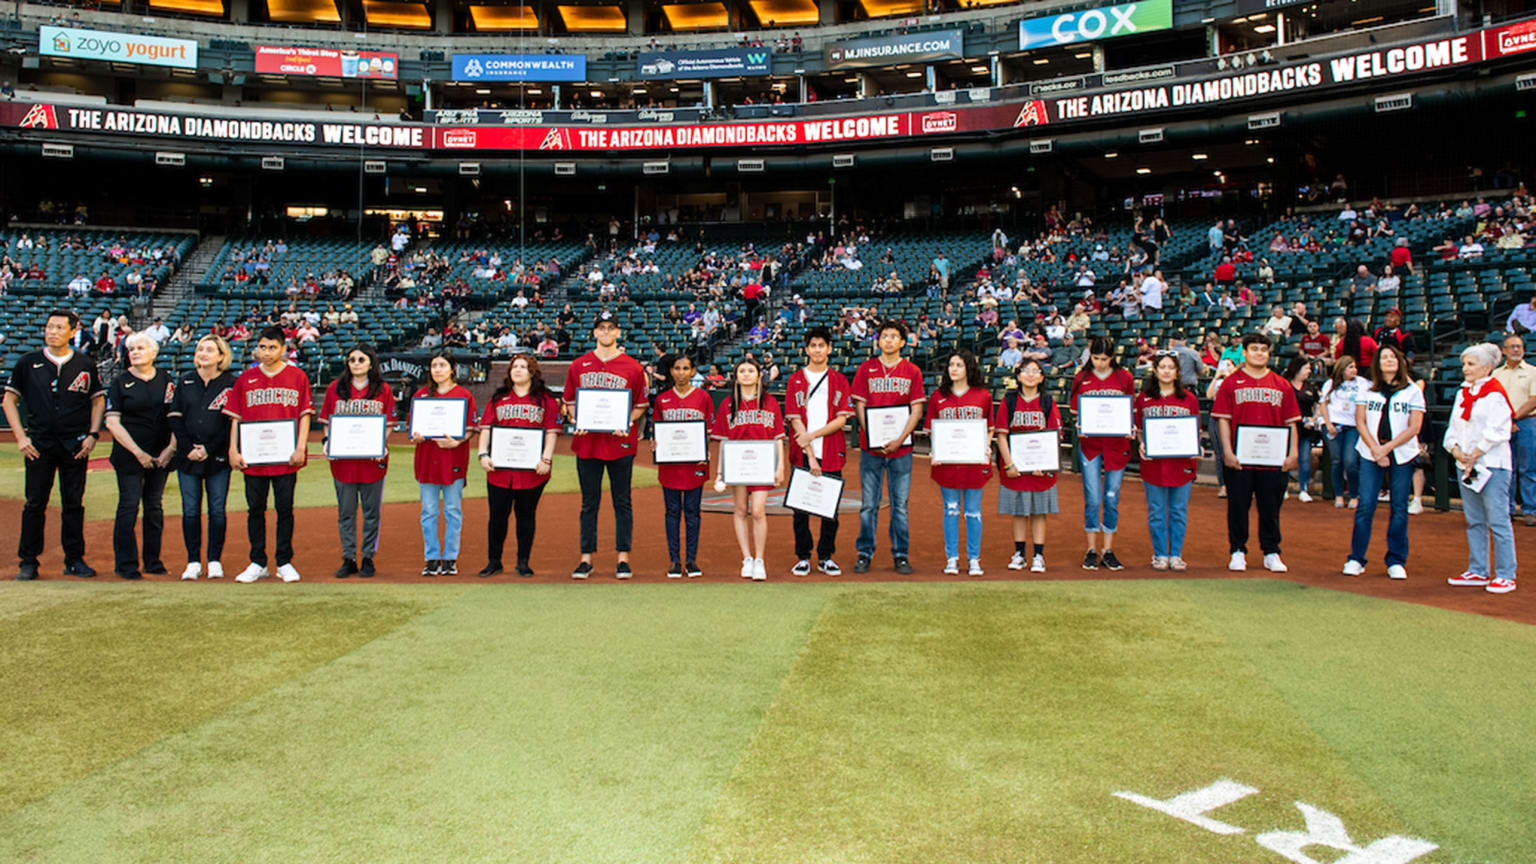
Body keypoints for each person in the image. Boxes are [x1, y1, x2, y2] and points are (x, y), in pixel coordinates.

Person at [4, 309, 105, 581]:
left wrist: (93, 435)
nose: (53, 332)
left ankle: (74, 559)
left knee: (74, 503)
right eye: (50, 327)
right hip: (39, 444)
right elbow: (8, 401)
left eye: (60, 327)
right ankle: (28, 560)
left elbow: (98, 401)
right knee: (35, 503)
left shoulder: (85, 363)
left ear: (73, 331)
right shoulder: (28, 362)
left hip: (75, 444)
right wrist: (21, 438)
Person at [562, 310, 648, 579]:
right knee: (589, 502)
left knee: (622, 502)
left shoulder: (633, 367)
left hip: (620, 443)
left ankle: (623, 558)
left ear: (618, 332)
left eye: (611, 328)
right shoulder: (578, 365)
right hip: (588, 442)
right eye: (602, 328)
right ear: (595, 332)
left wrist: (627, 421)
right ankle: (586, 558)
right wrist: (577, 419)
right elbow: (568, 403)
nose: (606, 332)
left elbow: (640, 405)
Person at [226, 326, 313, 583]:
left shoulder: (297, 376)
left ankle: (284, 561)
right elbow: (235, 418)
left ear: (283, 349)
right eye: (262, 347)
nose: (267, 352)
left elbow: (305, 415)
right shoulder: (246, 378)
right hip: (254, 457)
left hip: (285, 457)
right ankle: (257, 561)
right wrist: (233, 449)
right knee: (255, 509)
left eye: (272, 347)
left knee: (285, 509)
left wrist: (301, 447)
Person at [1213, 333, 1301, 572]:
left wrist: (1293, 452)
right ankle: (1238, 550)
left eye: (1263, 349)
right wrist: (1227, 452)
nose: (1259, 353)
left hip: (1272, 459)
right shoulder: (1231, 383)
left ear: (1269, 354)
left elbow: (1291, 422)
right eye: (1254, 349)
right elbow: (1223, 420)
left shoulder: (1281, 384)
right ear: (1244, 352)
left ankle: (1271, 551)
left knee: (1270, 508)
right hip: (1240, 458)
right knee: (1238, 506)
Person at [475, 354, 561, 578]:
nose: (518, 370)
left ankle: (523, 561)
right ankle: (494, 561)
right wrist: (482, 454)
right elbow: (486, 428)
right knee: (497, 517)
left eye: (524, 367)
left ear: (533, 372)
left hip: (532, 471)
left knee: (526, 516)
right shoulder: (499, 398)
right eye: (515, 367)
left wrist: (547, 459)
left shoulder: (545, 400)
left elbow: (552, 431)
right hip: (500, 470)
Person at [851, 320, 926, 574]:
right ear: (879, 340)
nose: (889, 340)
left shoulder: (912, 371)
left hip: (901, 449)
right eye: (885, 336)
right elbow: (859, 405)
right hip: (870, 448)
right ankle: (865, 552)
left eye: (894, 336)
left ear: (903, 342)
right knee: (868, 504)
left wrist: (899, 439)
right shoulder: (866, 369)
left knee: (900, 505)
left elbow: (917, 410)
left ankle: (900, 554)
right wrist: (871, 434)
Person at [1345, 345, 1425, 580]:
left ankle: (1396, 560)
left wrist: (1387, 449)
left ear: (1400, 362)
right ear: (1377, 363)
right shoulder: (1367, 389)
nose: (1389, 361)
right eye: (1384, 358)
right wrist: (1376, 450)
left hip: (1401, 453)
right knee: (1365, 506)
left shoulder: (1412, 391)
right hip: (1371, 452)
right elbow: (1360, 422)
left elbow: (1415, 426)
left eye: (1393, 357)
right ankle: (1356, 558)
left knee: (1399, 507)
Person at [103, 332, 176, 580]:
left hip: (161, 455)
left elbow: (177, 418)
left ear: (153, 352)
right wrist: (138, 452)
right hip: (129, 455)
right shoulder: (120, 382)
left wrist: (170, 449)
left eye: (140, 348)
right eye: (131, 349)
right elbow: (113, 422)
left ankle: (153, 561)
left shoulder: (167, 380)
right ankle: (126, 564)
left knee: (154, 506)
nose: (134, 352)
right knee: (129, 506)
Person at [1445, 343, 1517, 594]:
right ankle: (1478, 569)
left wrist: (1475, 454)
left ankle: (1506, 573)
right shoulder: (1462, 393)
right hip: (1466, 465)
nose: (1466, 368)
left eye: (1471, 364)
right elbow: (1453, 429)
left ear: (1487, 367)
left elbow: (1499, 430)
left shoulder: (1495, 394)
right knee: (1474, 519)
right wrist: (1456, 451)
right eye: (1464, 364)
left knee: (1498, 520)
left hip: (1492, 466)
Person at [320, 344, 395, 578]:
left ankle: (368, 557)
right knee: (346, 512)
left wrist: (379, 444)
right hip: (344, 462)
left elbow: (390, 423)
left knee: (372, 512)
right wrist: (326, 441)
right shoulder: (336, 388)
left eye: (361, 360)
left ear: (371, 363)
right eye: (351, 360)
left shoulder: (382, 389)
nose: (356, 364)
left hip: (372, 462)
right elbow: (326, 420)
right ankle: (349, 557)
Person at [711, 358, 787, 581]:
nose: (746, 374)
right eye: (741, 371)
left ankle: (760, 559)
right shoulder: (728, 404)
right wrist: (719, 473)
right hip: (738, 466)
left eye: (750, 370)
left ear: (758, 375)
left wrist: (780, 466)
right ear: (736, 376)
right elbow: (724, 442)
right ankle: (747, 558)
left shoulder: (770, 402)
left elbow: (777, 438)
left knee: (758, 511)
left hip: (763, 465)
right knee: (740, 509)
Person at [785, 327, 853, 576]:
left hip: (831, 450)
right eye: (812, 345)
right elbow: (795, 420)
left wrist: (812, 436)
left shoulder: (839, 380)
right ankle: (803, 556)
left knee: (829, 509)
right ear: (806, 349)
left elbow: (842, 419)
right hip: (803, 452)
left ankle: (826, 556)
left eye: (821, 345)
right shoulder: (796, 380)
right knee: (800, 508)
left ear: (829, 349)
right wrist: (811, 455)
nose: (817, 350)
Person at [167, 335, 235, 580]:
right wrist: (188, 448)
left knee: (217, 510)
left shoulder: (230, 383)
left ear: (221, 356)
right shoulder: (185, 380)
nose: (203, 353)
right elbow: (175, 417)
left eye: (209, 350)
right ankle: (193, 561)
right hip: (188, 458)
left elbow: (230, 424)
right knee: (190, 510)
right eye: (200, 349)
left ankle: (214, 559)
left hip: (217, 458)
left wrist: (208, 449)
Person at [925, 350, 993, 576]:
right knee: (951, 510)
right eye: (951, 365)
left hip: (973, 462)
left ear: (969, 368)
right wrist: (936, 450)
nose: (953, 369)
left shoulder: (982, 395)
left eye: (959, 365)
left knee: (973, 512)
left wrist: (986, 446)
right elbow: (932, 429)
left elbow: (989, 427)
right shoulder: (938, 396)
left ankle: (974, 558)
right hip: (948, 462)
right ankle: (952, 557)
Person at [1071, 336, 1135, 571]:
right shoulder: (1082, 378)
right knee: (1092, 498)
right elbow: (1074, 410)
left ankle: (1107, 548)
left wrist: (1131, 426)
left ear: (1113, 357)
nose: (1100, 363)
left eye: (1104, 359)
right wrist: (1080, 423)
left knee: (1111, 497)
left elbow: (1131, 409)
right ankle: (1091, 549)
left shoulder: (1123, 377)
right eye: (1096, 358)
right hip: (1090, 445)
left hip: (1116, 446)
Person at [411, 353, 476, 576]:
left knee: (452, 510)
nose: (438, 370)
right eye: (434, 366)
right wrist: (417, 436)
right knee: (428, 511)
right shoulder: (421, 395)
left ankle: (449, 558)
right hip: (427, 460)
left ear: (452, 369)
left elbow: (470, 429)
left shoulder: (464, 395)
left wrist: (456, 441)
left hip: (453, 459)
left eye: (442, 365)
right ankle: (431, 557)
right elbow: (414, 429)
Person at [1134, 353, 1199, 570]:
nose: (1166, 371)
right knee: (1156, 510)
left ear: (1178, 372)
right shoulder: (1143, 399)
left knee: (1179, 510)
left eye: (1171, 367)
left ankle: (1176, 554)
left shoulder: (1189, 399)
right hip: (1154, 463)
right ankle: (1160, 553)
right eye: (1162, 366)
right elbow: (1139, 430)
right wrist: (1142, 443)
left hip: (1181, 462)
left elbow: (1195, 430)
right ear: (1155, 370)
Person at [994, 359, 1060, 572]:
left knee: (1039, 512)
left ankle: (1038, 555)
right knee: (1019, 511)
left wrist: (1047, 464)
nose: (1030, 375)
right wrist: (1009, 464)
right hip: (1016, 467)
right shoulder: (1009, 400)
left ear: (1042, 377)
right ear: (1018, 375)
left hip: (1040, 468)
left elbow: (1054, 436)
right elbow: (1001, 435)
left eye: (1035, 371)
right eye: (1026, 371)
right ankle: (1020, 553)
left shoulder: (1048, 401)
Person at [651, 353, 713, 579]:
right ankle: (675, 560)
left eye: (686, 368)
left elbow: (707, 430)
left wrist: (704, 450)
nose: (681, 373)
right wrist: (656, 443)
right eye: (677, 368)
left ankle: (692, 560)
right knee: (672, 512)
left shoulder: (703, 397)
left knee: (693, 513)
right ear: (671, 371)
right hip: (670, 464)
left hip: (694, 463)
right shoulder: (662, 399)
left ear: (693, 371)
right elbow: (656, 429)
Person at [1491, 333, 1535, 526]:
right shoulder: (1496, 374)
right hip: (1502, 425)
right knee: (1505, 469)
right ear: (1504, 351)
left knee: (1529, 468)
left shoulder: (1533, 371)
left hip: (1527, 423)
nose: (1517, 349)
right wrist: (1506, 421)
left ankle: (1530, 510)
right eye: (1512, 346)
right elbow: (1493, 400)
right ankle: (1506, 510)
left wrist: (1513, 418)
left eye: (1519, 346)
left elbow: (1534, 399)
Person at [1319, 356, 1366, 508]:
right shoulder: (1330, 384)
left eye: (1355, 367)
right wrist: (1328, 423)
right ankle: (1338, 495)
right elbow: (1323, 405)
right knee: (1336, 460)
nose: (1354, 370)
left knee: (1350, 461)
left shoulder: (1362, 383)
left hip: (1353, 426)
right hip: (1334, 425)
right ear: (1342, 368)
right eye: (1350, 367)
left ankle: (1353, 494)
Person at [1283, 357, 1319, 502]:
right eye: (1306, 368)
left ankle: (1303, 489)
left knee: (1304, 458)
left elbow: (1318, 405)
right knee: (1285, 458)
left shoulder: (1310, 387)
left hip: (1305, 429)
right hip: (1287, 428)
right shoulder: (1284, 384)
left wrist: (1313, 419)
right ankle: (1283, 488)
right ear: (1297, 369)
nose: (1309, 371)